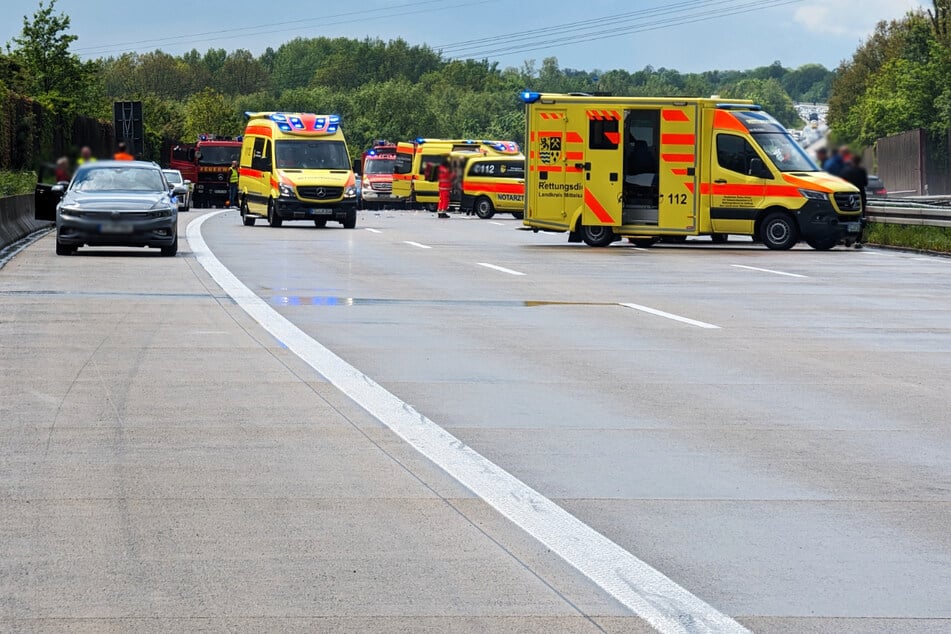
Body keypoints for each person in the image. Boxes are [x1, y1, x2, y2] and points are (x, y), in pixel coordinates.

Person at [840, 154, 868, 249]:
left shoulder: (846, 171)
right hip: (860, 197)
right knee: (860, 217)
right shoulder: (862, 171)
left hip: (847, 197)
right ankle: (858, 240)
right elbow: (865, 183)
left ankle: (847, 238)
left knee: (847, 217)